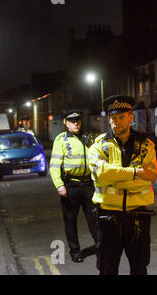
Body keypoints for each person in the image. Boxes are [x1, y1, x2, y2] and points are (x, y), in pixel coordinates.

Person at [88, 95, 157, 275]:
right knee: (107, 269)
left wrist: (114, 174)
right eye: (112, 118)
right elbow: (102, 175)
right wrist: (135, 172)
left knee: (139, 268)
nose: (116, 122)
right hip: (108, 217)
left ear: (130, 117)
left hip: (138, 217)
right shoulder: (98, 145)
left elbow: (151, 177)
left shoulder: (146, 145)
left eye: (121, 117)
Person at [49, 110, 98, 263]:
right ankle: (75, 251)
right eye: (72, 120)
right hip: (71, 185)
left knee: (95, 218)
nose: (76, 123)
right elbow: (54, 165)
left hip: (88, 184)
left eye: (78, 120)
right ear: (66, 123)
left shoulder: (88, 137)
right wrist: (59, 185)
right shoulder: (61, 140)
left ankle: (100, 246)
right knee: (70, 220)